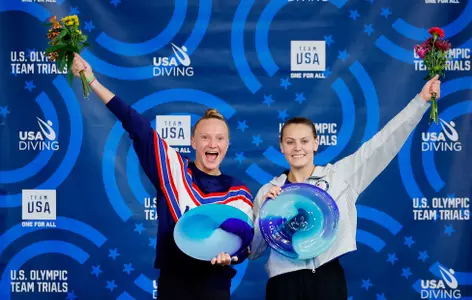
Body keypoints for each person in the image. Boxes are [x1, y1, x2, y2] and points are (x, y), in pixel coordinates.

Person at [71, 54, 254, 300]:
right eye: (205, 137)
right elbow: (135, 124)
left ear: (228, 144)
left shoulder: (238, 191)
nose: (213, 144)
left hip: (215, 284)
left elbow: (245, 243)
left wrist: (231, 257)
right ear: (193, 142)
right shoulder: (173, 168)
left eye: (219, 138)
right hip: (174, 281)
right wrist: (91, 81)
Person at [249, 76, 442, 300]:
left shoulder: (340, 176)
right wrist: (265, 213)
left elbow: (383, 144)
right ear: (281, 146)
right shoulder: (268, 191)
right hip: (284, 284)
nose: (297, 148)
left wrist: (420, 101)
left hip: (327, 280)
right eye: (290, 142)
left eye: (304, 141)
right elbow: (253, 252)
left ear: (315, 143)